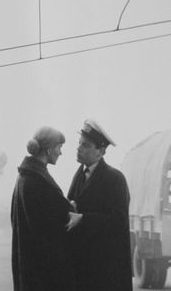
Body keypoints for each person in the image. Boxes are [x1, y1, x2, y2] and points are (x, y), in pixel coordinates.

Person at [66, 119, 132, 291]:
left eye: (86, 145)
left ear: (101, 151)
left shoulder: (115, 179)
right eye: (79, 143)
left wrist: (83, 219)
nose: (79, 148)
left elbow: (119, 221)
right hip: (83, 265)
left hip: (105, 269)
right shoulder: (79, 175)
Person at [11, 126, 76, 291]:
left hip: (29, 269)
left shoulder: (23, 178)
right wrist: (71, 208)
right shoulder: (38, 181)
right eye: (59, 147)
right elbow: (55, 223)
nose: (60, 152)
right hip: (43, 273)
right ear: (48, 150)